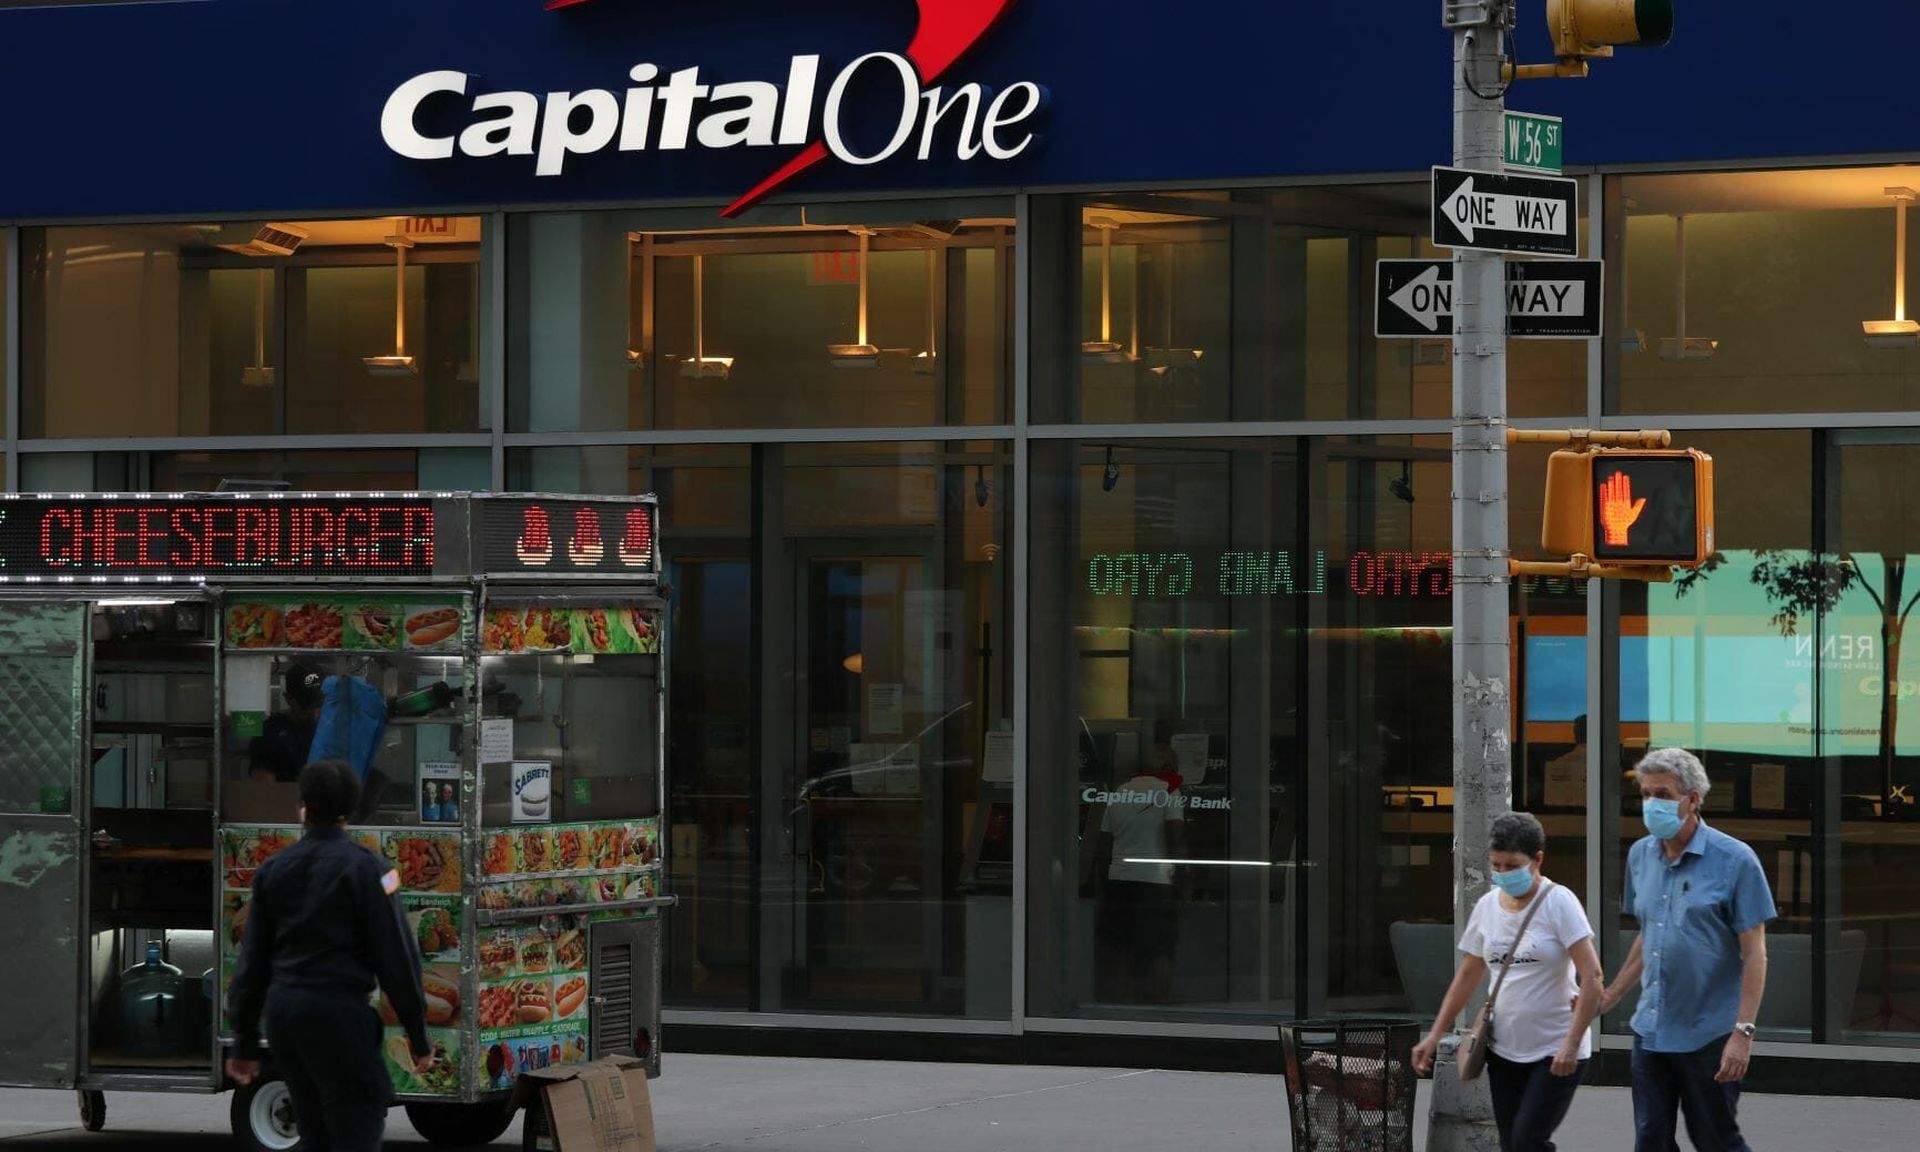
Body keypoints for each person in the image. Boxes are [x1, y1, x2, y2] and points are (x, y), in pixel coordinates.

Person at [226, 760, 435, 1151]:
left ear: (302, 805)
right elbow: (398, 959)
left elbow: (251, 963)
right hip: (339, 1015)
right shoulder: (375, 871)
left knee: (314, 1128)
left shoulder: (271, 870)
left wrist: (245, 1042)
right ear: (352, 808)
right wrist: (418, 1036)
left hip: (286, 1018)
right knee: (359, 1120)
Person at [1601, 747, 1774, 1152]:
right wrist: (1613, 995)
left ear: (1692, 799)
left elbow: (1755, 954)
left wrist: (1743, 1034)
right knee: (1650, 1140)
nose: (1650, 804)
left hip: (1709, 1034)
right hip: (1651, 1030)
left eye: (1662, 794)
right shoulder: (1641, 856)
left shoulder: (1735, 860)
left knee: (1715, 1140)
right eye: (1644, 794)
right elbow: (1652, 933)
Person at [1412, 812, 1603, 1152]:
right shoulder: (1487, 906)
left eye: (1511, 865)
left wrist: (1572, 1043)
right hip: (1504, 1050)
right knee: (1511, 1144)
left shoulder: (1559, 902)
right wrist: (1435, 1034)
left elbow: (1593, 975)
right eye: (1496, 866)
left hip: (1555, 1047)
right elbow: (1468, 975)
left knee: (1528, 1141)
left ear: (1537, 859)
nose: (1502, 873)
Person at [1091, 742, 1188, 1003]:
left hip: (1119, 880)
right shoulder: (1170, 790)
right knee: (1160, 948)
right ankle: (1159, 1002)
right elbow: (1176, 837)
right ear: (1167, 766)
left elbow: (1103, 845)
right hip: (1155, 882)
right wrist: (1182, 882)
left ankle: (1122, 1004)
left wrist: (1104, 884)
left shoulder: (1121, 791)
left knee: (1121, 947)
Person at [247, 663, 323, 783]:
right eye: (305, 706)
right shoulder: (269, 734)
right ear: (288, 698)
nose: (313, 713)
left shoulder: (328, 731)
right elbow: (263, 787)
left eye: (318, 705)